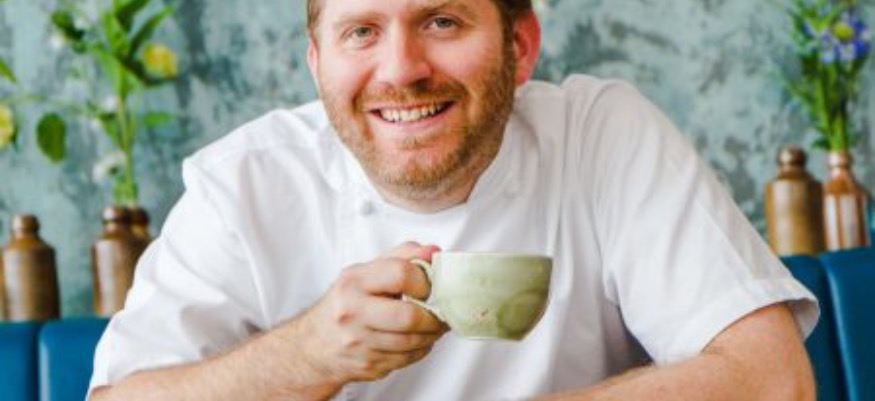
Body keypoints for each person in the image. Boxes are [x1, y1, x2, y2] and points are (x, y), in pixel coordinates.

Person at [88, 0, 819, 400]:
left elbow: (772, 382)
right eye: (361, 32)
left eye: (441, 21)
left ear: (519, 46)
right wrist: (307, 354)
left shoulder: (601, 135)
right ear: (317, 63)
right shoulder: (243, 184)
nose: (401, 70)